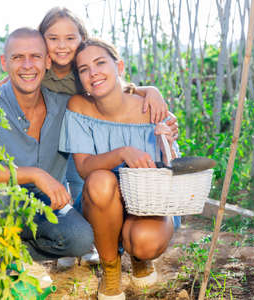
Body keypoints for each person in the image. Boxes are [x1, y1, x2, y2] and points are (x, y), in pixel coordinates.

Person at [59, 38, 181, 300]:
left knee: (145, 242)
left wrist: (166, 141)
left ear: (120, 67)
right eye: (83, 69)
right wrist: (123, 152)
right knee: (100, 180)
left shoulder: (151, 107)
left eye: (100, 63)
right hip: (101, 204)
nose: (93, 73)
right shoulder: (79, 107)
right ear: (80, 79)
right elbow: (83, 168)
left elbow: (170, 169)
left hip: (147, 202)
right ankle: (111, 269)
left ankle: (139, 259)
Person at [0, 28, 94, 267]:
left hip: (45, 207)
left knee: (81, 238)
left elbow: (108, 101)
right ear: (5, 62)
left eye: (35, 56)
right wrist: (33, 174)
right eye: (17, 57)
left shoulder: (65, 106)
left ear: (47, 61)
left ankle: (14, 251)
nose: (27, 65)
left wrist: (147, 94)